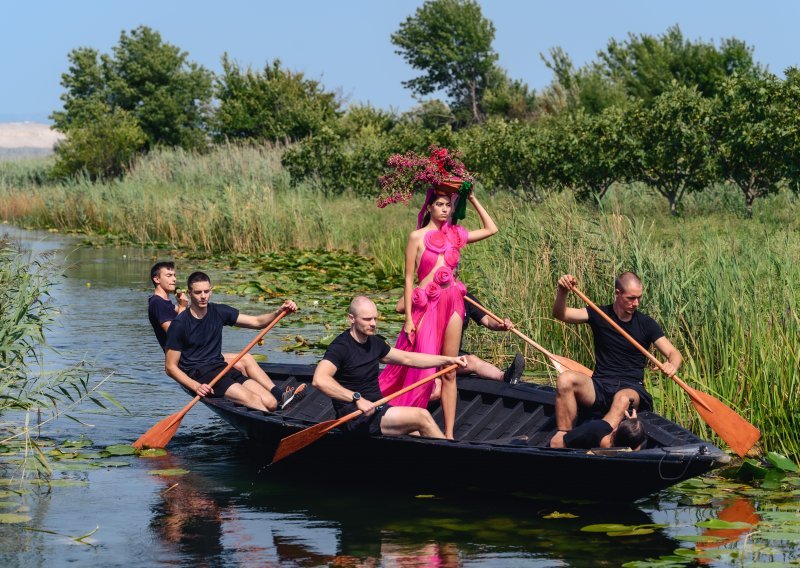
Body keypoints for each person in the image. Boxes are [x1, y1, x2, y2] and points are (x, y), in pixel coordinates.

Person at [378, 186, 498, 439]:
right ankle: (409, 422)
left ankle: (450, 433)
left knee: (449, 369)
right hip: (426, 306)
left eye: (448, 205)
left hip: (453, 300)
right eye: (440, 205)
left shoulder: (456, 234)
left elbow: (491, 229)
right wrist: (409, 318)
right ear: (429, 207)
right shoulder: (416, 237)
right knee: (423, 367)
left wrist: (473, 198)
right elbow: (409, 280)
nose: (445, 209)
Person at [549, 272, 681, 448]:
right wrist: (562, 291)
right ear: (618, 293)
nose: (636, 303)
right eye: (631, 298)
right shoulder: (599, 314)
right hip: (600, 385)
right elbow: (560, 314)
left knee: (622, 398)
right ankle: (563, 434)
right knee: (565, 379)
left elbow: (673, 352)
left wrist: (672, 365)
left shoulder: (647, 324)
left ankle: (604, 439)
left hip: (632, 388)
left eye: (639, 298)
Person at [313, 296, 467, 438]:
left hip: (378, 409)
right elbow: (319, 380)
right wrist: (356, 398)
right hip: (355, 416)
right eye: (367, 319)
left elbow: (409, 359)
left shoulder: (374, 343)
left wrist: (449, 359)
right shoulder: (341, 347)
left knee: (419, 433)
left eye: (375, 318)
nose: (373, 324)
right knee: (422, 416)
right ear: (351, 319)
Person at [164, 271, 302, 412]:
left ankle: (273, 406)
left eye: (206, 291)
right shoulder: (180, 324)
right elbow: (170, 367)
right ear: (190, 293)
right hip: (201, 375)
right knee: (255, 400)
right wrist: (195, 386)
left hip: (221, 367)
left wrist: (279, 312)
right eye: (198, 292)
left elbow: (257, 322)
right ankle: (273, 430)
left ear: (211, 291)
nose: (203, 296)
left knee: (271, 402)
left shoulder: (219, 311)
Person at [148, 261, 275, 400]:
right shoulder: (157, 303)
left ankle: (265, 393)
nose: (174, 279)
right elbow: (171, 330)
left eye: (174, 275)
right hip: (187, 359)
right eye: (169, 275)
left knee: (245, 359)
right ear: (157, 279)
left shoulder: (166, 301)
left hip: (198, 353)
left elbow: (256, 322)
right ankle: (244, 396)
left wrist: (182, 307)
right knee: (241, 363)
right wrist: (183, 307)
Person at [395, 292, 525, 400]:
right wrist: (423, 284)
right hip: (427, 356)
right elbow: (399, 307)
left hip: (452, 357)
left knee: (473, 361)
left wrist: (501, 325)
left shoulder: (465, 298)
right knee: (435, 392)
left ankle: (505, 377)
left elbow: (487, 319)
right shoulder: (430, 293)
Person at [552, 400, 647, 450]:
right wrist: (633, 425)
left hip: (575, 443)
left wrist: (562, 431)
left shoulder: (597, 429)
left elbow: (555, 445)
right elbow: (636, 447)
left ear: (614, 431)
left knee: (560, 437)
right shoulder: (629, 453)